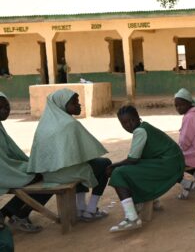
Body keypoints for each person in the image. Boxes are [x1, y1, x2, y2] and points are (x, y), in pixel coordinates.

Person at [27, 88, 112, 222]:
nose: (79, 105)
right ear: (62, 104)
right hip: (65, 175)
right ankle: (90, 210)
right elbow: (88, 152)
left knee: (79, 162)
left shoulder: (43, 124)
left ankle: (80, 207)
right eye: (74, 102)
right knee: (105, 163)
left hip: (49, 174)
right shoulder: (70, 124)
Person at [107, 105, 185, 233]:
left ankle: (132, 218)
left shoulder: (140, 131)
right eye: (124, 123)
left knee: (119, 173)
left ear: (138, 117)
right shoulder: (144, 127)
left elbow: (133, 159)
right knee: (131, 170)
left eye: (131, 120)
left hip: (169, 165)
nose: (129, 124)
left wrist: (113, 166)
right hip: (174, 162)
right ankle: (149, 201)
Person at [0, 93, 52, 233]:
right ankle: (20, 215)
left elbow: (12, 151)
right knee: (49, 178)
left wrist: (29, 163)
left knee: (42, 171)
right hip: (4, 173)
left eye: (6, 106)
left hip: (6, 169)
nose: (5, 110)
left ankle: (6, 212)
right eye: (1, 108)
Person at [173, 88, 195, 200]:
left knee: (170, 163)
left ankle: (188, 184)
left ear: (188, 103)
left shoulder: (189, 117)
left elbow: (185, 142)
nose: (178, 108)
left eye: (180, 105)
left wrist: (177, 150)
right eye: (176, 106)